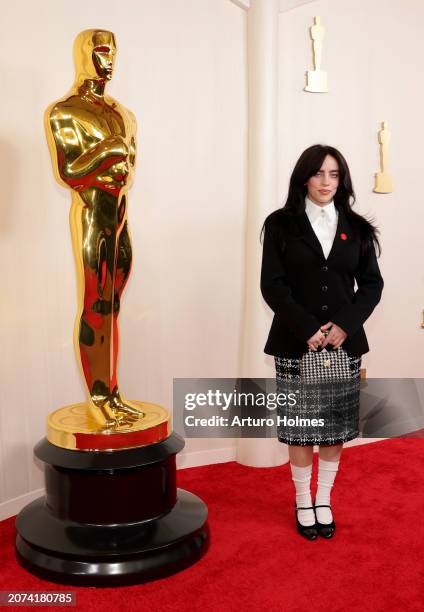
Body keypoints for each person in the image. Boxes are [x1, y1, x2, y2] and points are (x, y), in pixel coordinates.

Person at [260, 145, 384, 540]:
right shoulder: (280, 224)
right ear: (304, 178)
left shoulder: (358, 228)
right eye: (318, 174)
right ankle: (302, 500)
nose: (326, 182)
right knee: (301, 428)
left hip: (343, 346)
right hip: (299, 343)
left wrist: (344, 326)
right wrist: (307, 328)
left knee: (334, 428)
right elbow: (273, 286)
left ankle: (324, 498)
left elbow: (371, 286)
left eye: (334, 174)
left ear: (342, 180)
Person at [45, 29, 144, 429]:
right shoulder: (64, 111)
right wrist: (109, 150)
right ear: (83, 54)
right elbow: (69, 172)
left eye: (113, 52)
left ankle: (112, 392)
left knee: (114, 305)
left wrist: (119, 156)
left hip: (120, 214)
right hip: (92, 215)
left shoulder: (123, 113)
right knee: (96, 306)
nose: (109, 60)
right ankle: (99, 396)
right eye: (101, 51)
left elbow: (130, 167)